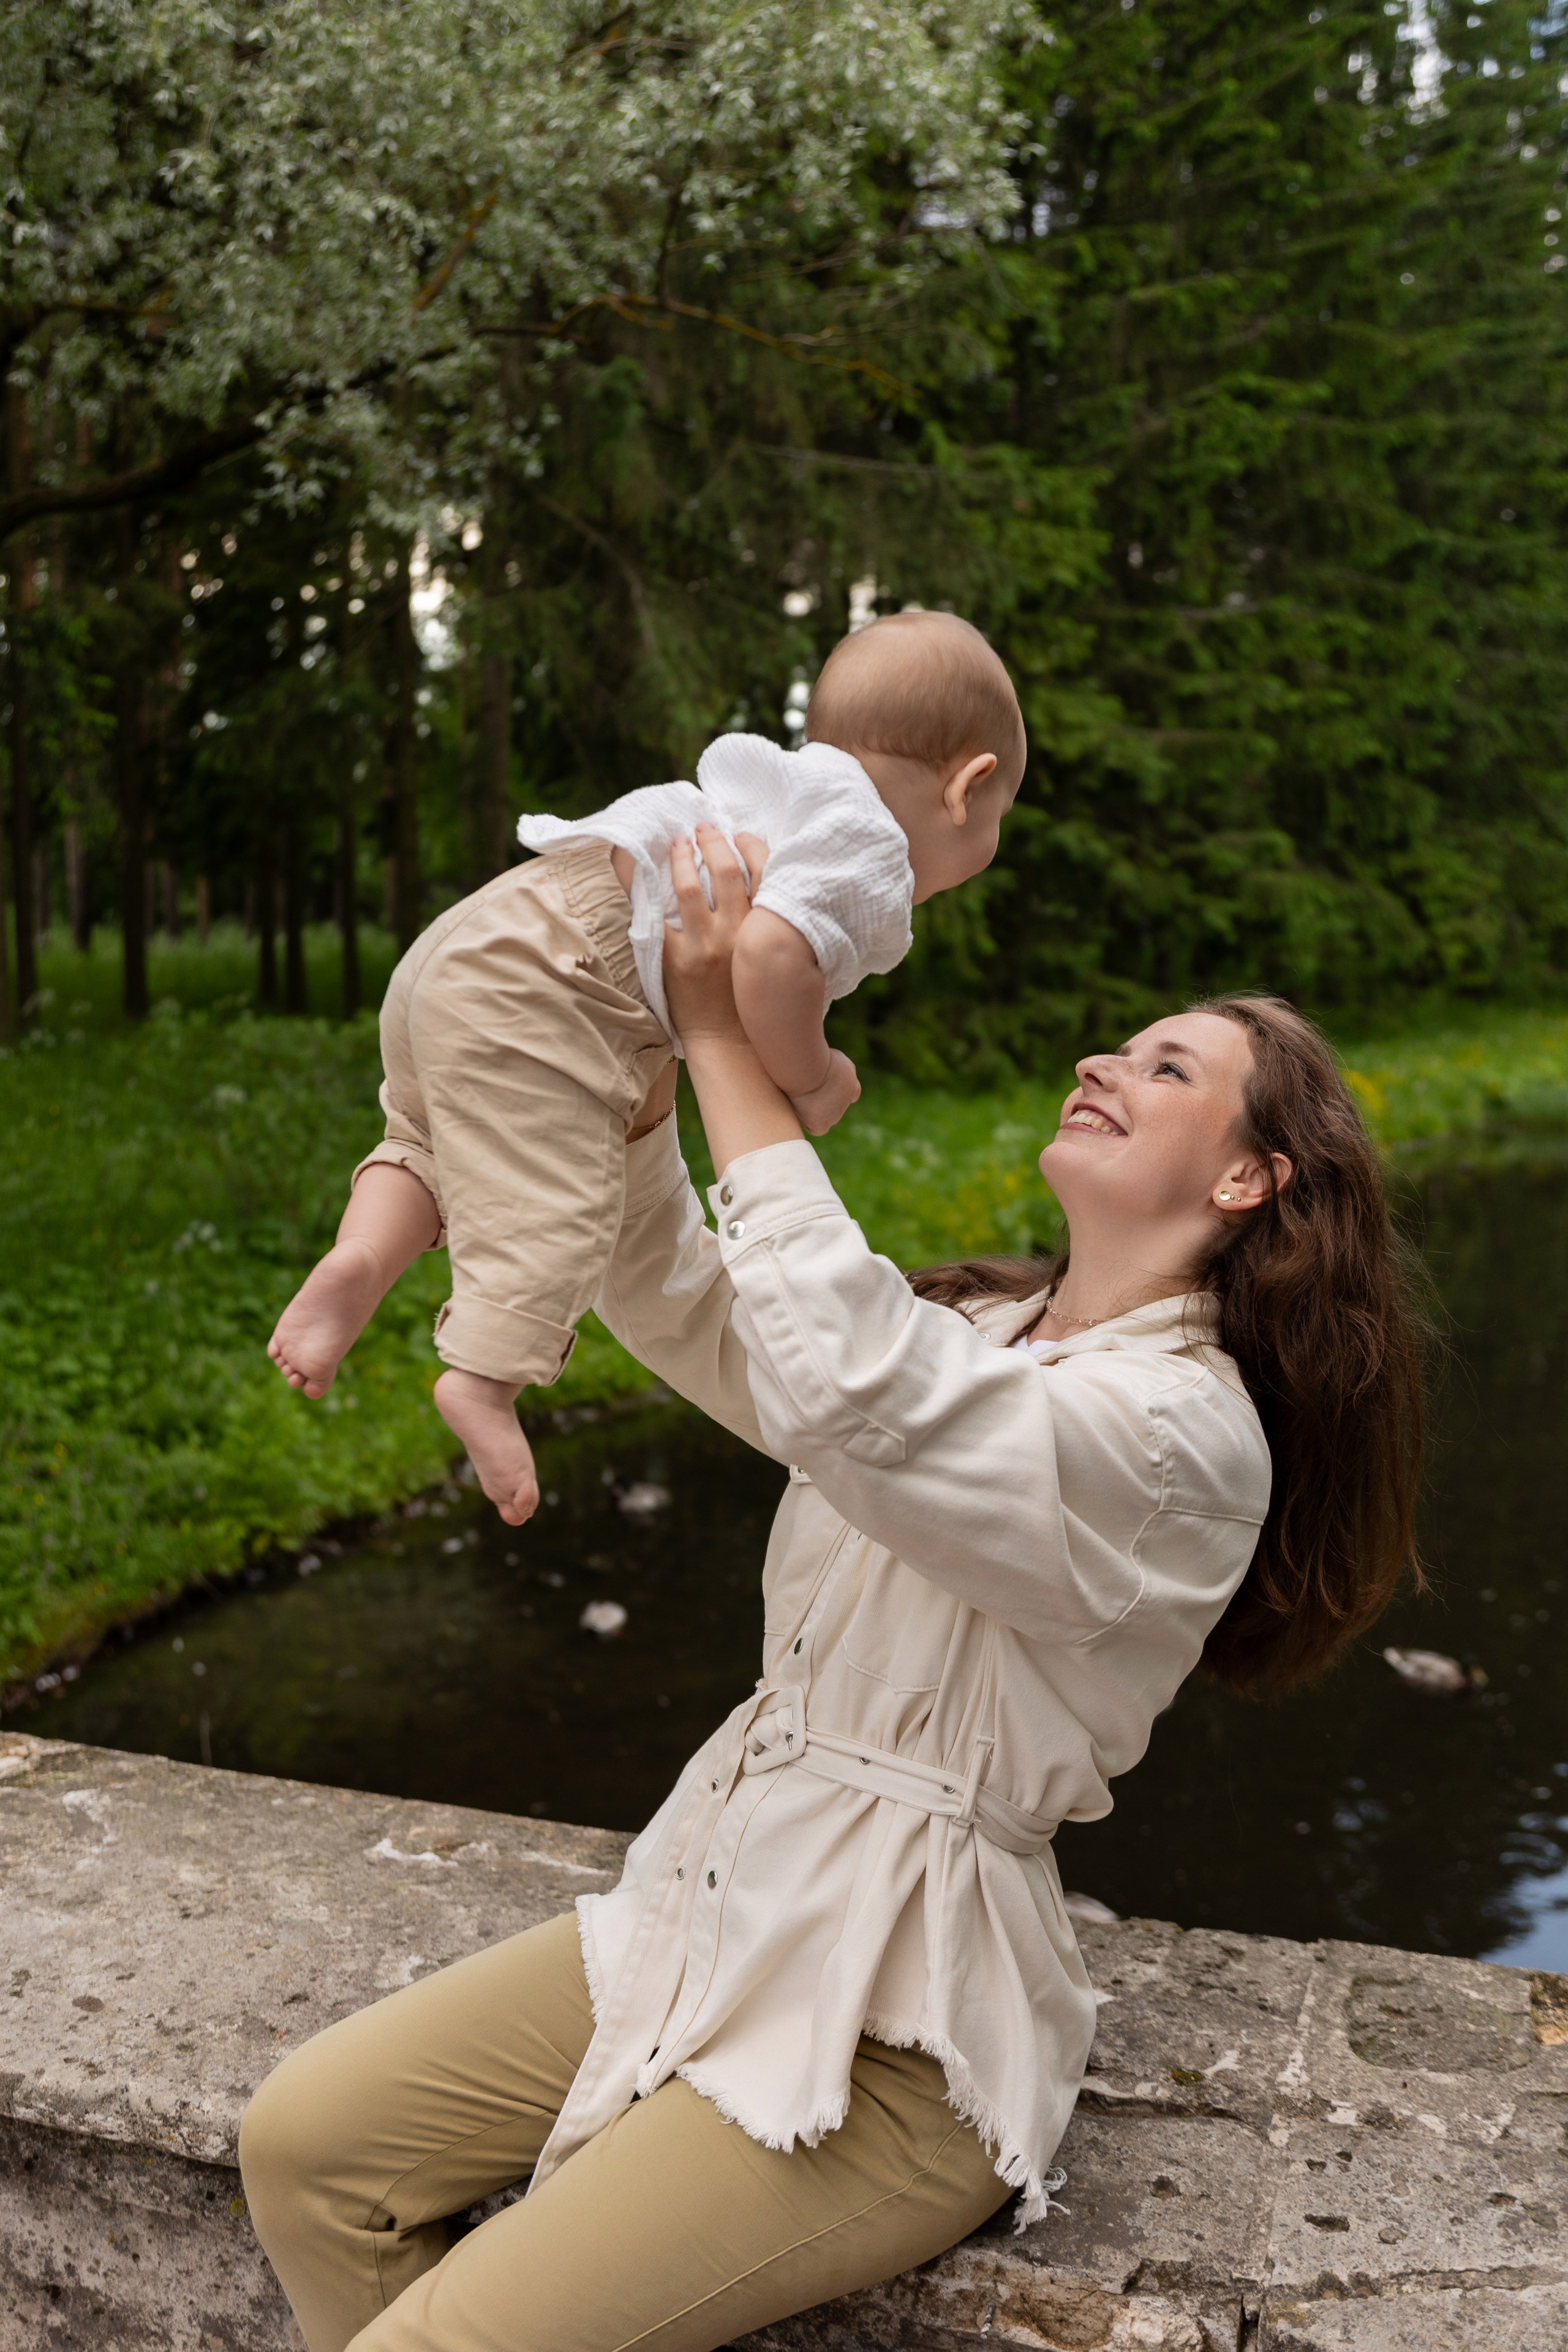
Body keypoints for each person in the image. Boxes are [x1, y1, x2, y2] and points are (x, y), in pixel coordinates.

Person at [239, 832, 1427, 2352]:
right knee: (310, 2150)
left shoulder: (1184, 1439)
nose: (1104, 1061)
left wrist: (732, 1039)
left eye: (1168, 1069)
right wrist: (632, 1063)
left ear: (1251, 1176)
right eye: (1119, 1046)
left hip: (897, 2037)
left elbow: (862, 1383)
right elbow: (694, 1302)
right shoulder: (983, 1332)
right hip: (719, 1901)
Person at [266, 612, 1024, 1529]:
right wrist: (812, 1073)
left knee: (428, 1133)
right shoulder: (866, 840)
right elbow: (771, 959)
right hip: (564, 983)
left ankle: (362, 1255)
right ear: (969, 785)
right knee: (555, 1191)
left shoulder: (794, 791)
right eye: (999, 824)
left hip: (487, 938)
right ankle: (486, 1376)